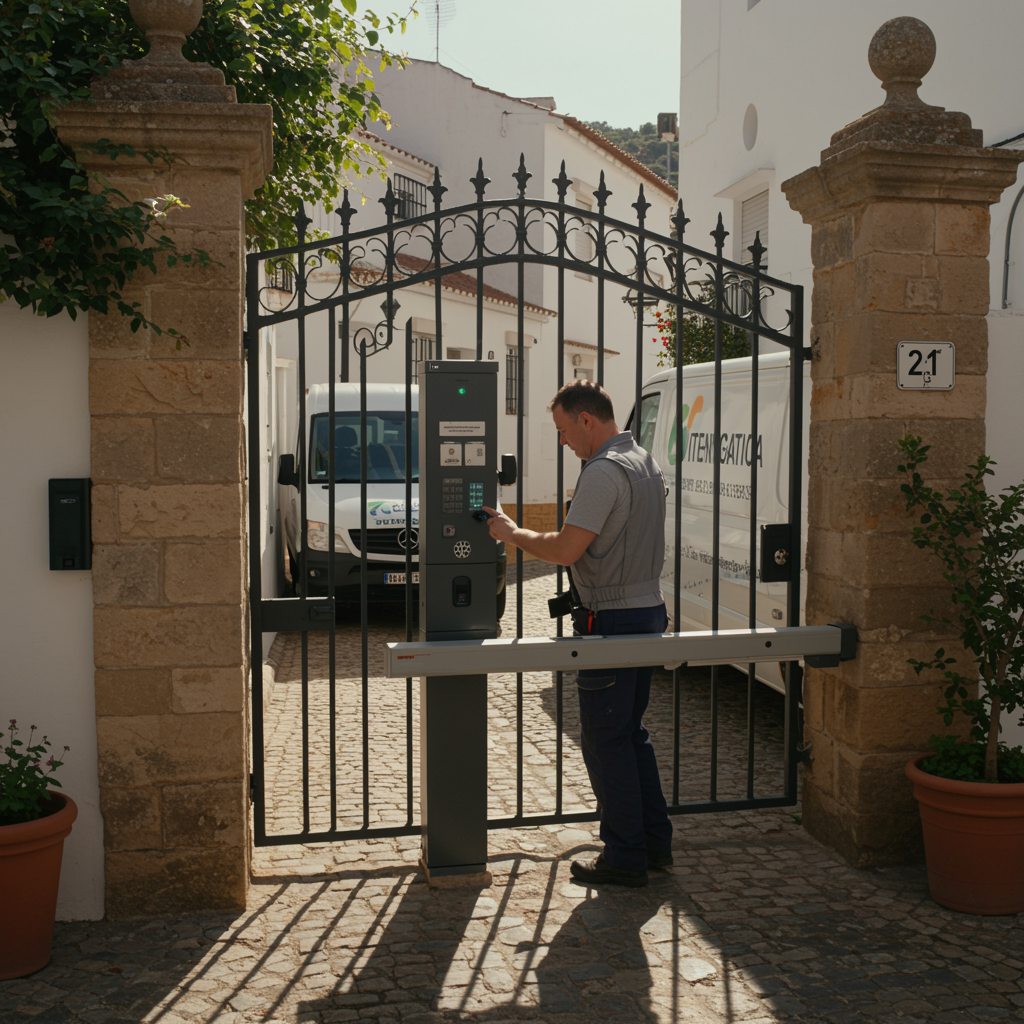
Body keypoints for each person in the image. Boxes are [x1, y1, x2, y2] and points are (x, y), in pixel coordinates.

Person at [481, 379, 672, 887]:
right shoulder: (646, 462)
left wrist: (511, 532)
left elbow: (567, 550)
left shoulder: (603, 471)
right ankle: (655, 844)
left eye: (564, 431)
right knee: (631, 736)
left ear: (587, 420)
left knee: (606, 740)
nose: (563, 443)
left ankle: (626, 855)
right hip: (648, 610)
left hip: (612, 619)